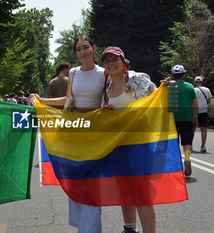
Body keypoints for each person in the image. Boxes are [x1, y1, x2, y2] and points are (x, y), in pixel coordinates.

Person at [32, 35, 105, 233]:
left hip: (96, 131)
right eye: (78, 49)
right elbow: (69, 99)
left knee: (92, 181)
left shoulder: (103, 73)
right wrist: (43, 101)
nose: (82, 52)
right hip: (75, 129)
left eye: (86, 47)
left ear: (94, 48)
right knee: (77, 178)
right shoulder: (73, 73)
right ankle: (83, 225)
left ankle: (92, 228)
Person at [101, 47, 157, 233]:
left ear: (123, 61)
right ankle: (130, 229)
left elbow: (152, 105)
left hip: (139, 145)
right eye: (107, 60)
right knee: (124, 189)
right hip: (119, 146)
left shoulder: (137, 79)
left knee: (141, 193)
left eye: (114, 59)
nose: (111, 63)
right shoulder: (108, 87)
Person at [171, 65, 198, 177]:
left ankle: (176, 165)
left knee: (174, 142)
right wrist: (195, 119)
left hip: (172, 119)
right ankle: (187, 158)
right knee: (187, 141)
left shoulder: (169, 87)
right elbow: (195, 105)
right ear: (183, 75)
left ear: (173, 75)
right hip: (187, 118)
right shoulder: (190, 86)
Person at [193, 76, 212, 152]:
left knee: (192, 129)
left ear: (194, 82)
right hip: (204, 112)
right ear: (201, 82)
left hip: (194, 112)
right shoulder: (207, 90)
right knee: (203, 129)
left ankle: (190, 145)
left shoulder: (193, 90)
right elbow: (209, 101)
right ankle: (203, 146)